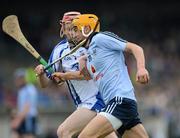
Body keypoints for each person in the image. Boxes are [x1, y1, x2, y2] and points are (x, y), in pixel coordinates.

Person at [34, 11, 118, 138]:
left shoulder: (91, 46)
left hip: (97, 100)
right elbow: (46, 83)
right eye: (67, 28)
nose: (70, 32)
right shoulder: (59, 50)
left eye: (73, 28)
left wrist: (64, 75)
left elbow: (88, 74)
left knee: (63, 132)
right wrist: (41, 74)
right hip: (83, 105)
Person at [69, 14, 150, 138]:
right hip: (123, 105)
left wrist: (141, 68)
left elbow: (136, 48)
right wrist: (68, 73)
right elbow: (86, 76)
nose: (73, 34)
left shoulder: (100, 38)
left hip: (119, 101)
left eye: (76, 30)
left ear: (86, 29)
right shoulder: (90, 53)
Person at [11, 68, 38, 138]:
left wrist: (18, 120)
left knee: (28, 135)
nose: (17, 80)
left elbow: (27, 107)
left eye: (20, 78)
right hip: (22, 118)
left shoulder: (30, 89)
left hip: (28, 118)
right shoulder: (21, 90)